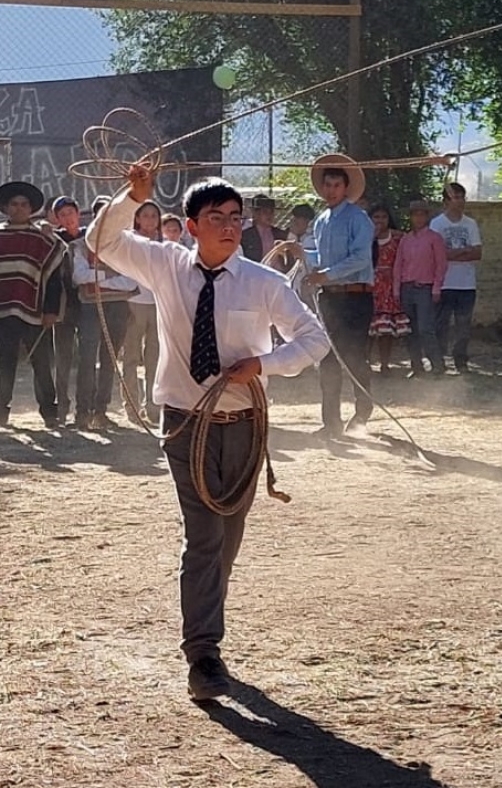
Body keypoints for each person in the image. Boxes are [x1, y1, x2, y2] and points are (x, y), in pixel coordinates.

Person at [87, 164, 328, 701]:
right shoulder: (165, 264)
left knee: (227, 536)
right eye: (216, 217)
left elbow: (314, 339)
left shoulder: (264, 283)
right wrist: (133, 197)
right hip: (185, 422)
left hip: (244, 424)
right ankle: (203, 654)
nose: (229, 226)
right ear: (192, 226)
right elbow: (101, 241)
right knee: (204, 535)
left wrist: (263, 365)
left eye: (235, 217)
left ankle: (205, 632)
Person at [302, 153, 374, 438]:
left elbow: (360, 258)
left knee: (354, 356)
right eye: (327, 185)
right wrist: (300, 253)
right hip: (330, 298)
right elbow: (320, 258)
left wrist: (325, 274)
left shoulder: (359, 219)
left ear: (345, 188)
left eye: (336, 185)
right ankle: (331, 422)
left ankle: (362, 412)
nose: (331, 190)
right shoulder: (321, 221)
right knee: (328, 358)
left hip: (355, 297)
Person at [0, 181, 64, 427]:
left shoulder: (41, 239)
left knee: (42, 363)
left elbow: (54, 277)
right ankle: (1, 411)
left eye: (24, 204)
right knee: (4, 363)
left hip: (35, 311)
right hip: (4, 312)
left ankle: (49, 412)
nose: (19, 208)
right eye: (14, 204)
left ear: (31, 208)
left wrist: (51, 311)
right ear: (6, 207)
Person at [72, 213, 137, 431]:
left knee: (109, 359)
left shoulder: (124, 248)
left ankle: (101, 411)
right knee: (87, 359)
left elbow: (130, 282)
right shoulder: (81, 246)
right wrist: (109, 275)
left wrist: (96, 277)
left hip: (118, 307)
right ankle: (82, 412)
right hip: (90, 307)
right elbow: (79, 276)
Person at [430, 182, 482, 373]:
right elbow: (437, 255)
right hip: (444, 283)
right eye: (455, 197)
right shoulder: (437, 224)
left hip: (466, 284)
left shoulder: (471, 224)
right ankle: (439, 361)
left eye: (462, 197)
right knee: (441, 325)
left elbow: (477, 253)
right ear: (446, 201)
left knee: (463, 326)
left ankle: (461, 360)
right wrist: (463, 251)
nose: (460, 201)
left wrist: (452, 253)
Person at [393, 200, 447, 377]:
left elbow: (441, 265)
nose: (418, 218)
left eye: (421, 214)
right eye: (415, 214)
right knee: (410, 330)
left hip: (425, 288)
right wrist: (396, 289)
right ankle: (416, 366)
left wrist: (437, 287)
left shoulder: (434, 238)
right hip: (407, 288)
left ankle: (437, 365)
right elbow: (398, 265)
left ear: (427, 216)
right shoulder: (405, 240)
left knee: (425, 328)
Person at [121, 200, 162, 425]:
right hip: (133, 301)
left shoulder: (164, 243)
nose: (150, 220)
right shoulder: (130, 240)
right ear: (137, 218)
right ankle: (131, 406)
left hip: (158, 303)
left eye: (154, 216)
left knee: (154, 357)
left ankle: (153, 405)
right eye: (145, 215)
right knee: (131, 357)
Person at [52, 196, 86, 424]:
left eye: (70, 213)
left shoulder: (89, 237)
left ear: (78, 214)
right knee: (62, 358)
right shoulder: (54, 240)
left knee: (87, 358)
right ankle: (61, 406)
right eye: (62, 215)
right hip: (63, 305)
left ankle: (84, 408)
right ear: (57, 219)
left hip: (87, 304)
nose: (68, 218)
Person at [368, 202, 411, 374]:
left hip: (389, 287)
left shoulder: (399, 238)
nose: (380, 220)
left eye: (384, 217)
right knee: (367, 328)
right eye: (376, 217)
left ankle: (385, 365)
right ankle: (364, 362)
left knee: (386, 330)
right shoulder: (363, 237)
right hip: (368, 286)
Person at [240, 195, 287, 263]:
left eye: (271, 212)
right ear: (256, 213)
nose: (269, 215)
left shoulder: (280, 234)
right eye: (265, 212)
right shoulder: (246, 236)